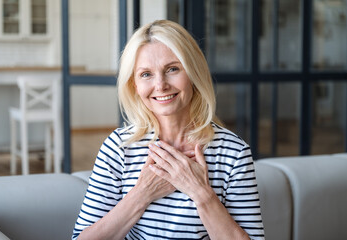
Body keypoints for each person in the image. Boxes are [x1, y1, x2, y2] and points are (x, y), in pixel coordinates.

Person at [72, 20, 264, 240]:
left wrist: (201, 194)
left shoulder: (234, 153)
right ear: (134, 85)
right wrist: (141, 194)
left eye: (172, 69)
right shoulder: (119, 148)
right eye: (146, 74)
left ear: (193, 73)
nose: (160, 85)